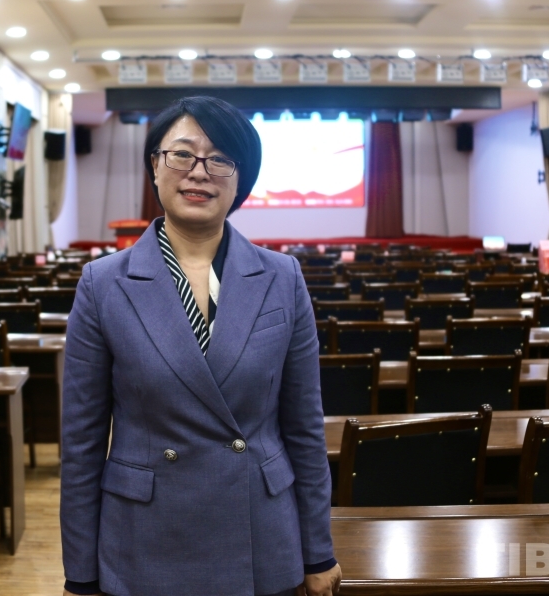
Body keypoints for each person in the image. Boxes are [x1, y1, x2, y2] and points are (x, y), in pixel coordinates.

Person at [60, 96, 341, 596]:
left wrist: (318, 549)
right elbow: (81, 444)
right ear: (154, 165)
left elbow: (303, 427)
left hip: (260, 534)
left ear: (241, 178)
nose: (199, 172)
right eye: (183, 154)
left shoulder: (283, 277)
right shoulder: (102, 284)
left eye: (220, 159)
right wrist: (80, 575)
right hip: (144, 538)